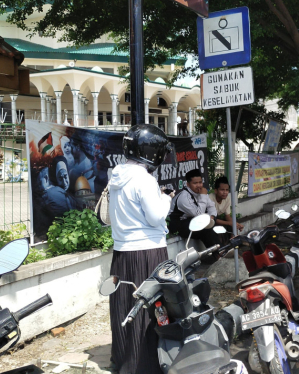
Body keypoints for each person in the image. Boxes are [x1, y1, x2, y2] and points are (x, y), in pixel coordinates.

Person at [108, 124, 175, 374]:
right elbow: (157, 216)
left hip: (123, 253)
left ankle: (125, 358)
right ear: (151, 151)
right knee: (150, 308)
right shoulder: (144, 179)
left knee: (125, 306)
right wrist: (166, 198)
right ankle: (145, 364)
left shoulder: (118, 175)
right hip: (147, 251)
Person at [168, 169, 220, 251]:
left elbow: (211, 206)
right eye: (195, 183)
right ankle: (219, 254)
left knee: (214, 225)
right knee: (205, 230)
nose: (199, 185)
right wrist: (203, 196)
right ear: (188, 184)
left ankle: (220, 251)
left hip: (191, 220)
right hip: (178, 224)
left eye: (200, 182)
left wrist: (212, 217)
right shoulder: (184, 197)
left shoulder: (200, 192)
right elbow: (198, 214)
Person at [208, 177, 244, 241]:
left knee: (233, 225)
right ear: (216, 191)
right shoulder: (210, 199)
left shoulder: (227, 199)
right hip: (209, 221)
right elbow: (212, 220)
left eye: (227, 190)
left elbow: (227, 216)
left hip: (216, 219)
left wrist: (236, 224)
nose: (225, 192)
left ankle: (234, 242)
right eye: (222, 190)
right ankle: (222, 248)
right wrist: (230, 223)